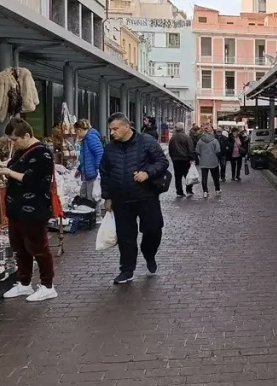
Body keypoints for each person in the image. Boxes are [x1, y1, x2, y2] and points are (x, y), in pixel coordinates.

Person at [100, 112, 170, 285]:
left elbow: (162, 162)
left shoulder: (146, 141)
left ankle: (149, 252)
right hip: (121, 199)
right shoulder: (110, 148)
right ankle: (127, 270)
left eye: (115, 129)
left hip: (146, 196)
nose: (112, 133)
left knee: (153, 230)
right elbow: (105, 173)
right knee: (126, 237)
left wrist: (147, 173)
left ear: (126, 126)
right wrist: (107, 197)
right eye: (110, 130)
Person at [0, 118, 58, 302]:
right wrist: (3, 167)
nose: (13, 144)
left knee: (38, 247)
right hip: (16, 208)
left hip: (35, 209)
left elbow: (34, 181)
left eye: (15, 140)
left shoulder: (42, 153)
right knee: (19, 247)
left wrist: (9, 173)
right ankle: (24, 283)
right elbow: (13, 167)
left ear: (27, 135)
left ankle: (48, 285)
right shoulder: (21, 151)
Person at [74, 119, 104, 201]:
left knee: (92, 197)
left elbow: (99, 153)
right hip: (88, 173)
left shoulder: (91, 137)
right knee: (84, 195)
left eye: (76, 131)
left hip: (93, 173)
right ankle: (88, 212)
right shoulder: (86, 139)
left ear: (79, 130)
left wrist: (98, 170)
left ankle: (95, 214)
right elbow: (86, 156)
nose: (76, 134)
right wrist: (80, 169)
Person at [167, 122, 195, 198]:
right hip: (185, 159)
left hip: (176, 160)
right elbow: (190, 148)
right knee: (188, 175)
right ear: (183, 128)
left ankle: (179, 191)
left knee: (178, 177)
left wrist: (173, 157)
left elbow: (170, 149)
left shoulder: (173, 138)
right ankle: (189, 190)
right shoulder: (186, 137)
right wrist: (192, 158)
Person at [194, 127, 221, 198]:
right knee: (215, 176)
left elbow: (197, 151)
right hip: (213, 161)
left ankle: (205, 191)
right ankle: (217, 190)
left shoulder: (200, 141)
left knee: (204, 177)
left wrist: (202, 155)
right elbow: (217, 150)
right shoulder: (215, 140)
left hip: (203, 161)